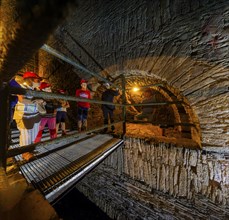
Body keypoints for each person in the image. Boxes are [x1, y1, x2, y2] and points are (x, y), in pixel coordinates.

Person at [13, 71, 41, 160]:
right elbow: (21, 99)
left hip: (34, 114)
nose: (39, 81)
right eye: (37, 79)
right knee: (26, 134)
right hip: (24, 114)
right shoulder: (22, 87)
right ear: (31, 79)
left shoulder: (34, 89)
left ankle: (29, 149)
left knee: (34, 133)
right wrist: (36, 101)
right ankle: (24, 153)